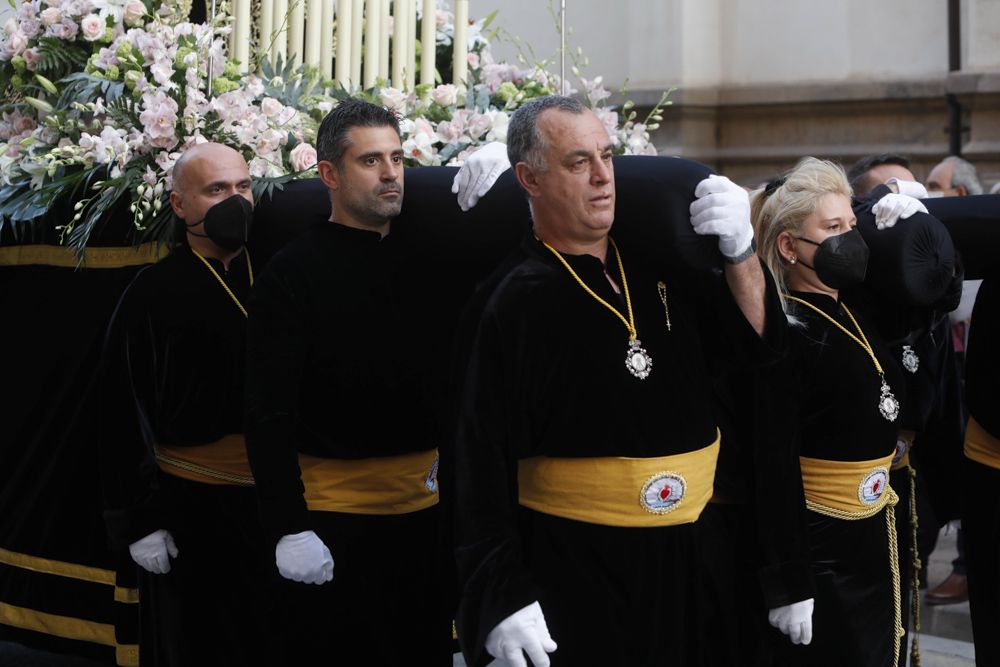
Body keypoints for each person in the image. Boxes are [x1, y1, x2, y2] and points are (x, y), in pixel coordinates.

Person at [452, 95, 785, 666]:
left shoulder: (665, 269)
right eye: (579, 162)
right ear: (529, 178)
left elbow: (758, 351)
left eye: (607, 156)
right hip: (576, 566)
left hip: (698, 556)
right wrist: (501, 593)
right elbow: (474, 462)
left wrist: (740, 253)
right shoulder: (509, 300)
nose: (604, 177)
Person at [243, 99, 453, 665]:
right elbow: (268, 411)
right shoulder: (291, 273)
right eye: (371, 161)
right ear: (329, 174)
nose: (391, 174)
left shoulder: (429, 259)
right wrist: (287, 526)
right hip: (332, 526)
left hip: (425, 524)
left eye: (398, 158)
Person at [99, 143, 276, 666]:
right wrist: (137, 522)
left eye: (243, 187)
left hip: (275, 505)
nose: (234, 201)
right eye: (216, 190)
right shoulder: (152, 292)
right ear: (179, 205)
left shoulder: (277, 275)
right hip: (189, 507)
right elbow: (119, 409)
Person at [753, 157, 911, 667]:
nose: (850, 238)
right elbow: (772, 463)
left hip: (873, 531)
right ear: (789, 246)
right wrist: (788, 580)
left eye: (851, 225)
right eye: (833, 227)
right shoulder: (786, 332)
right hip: (821, 545)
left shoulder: (852, 308)